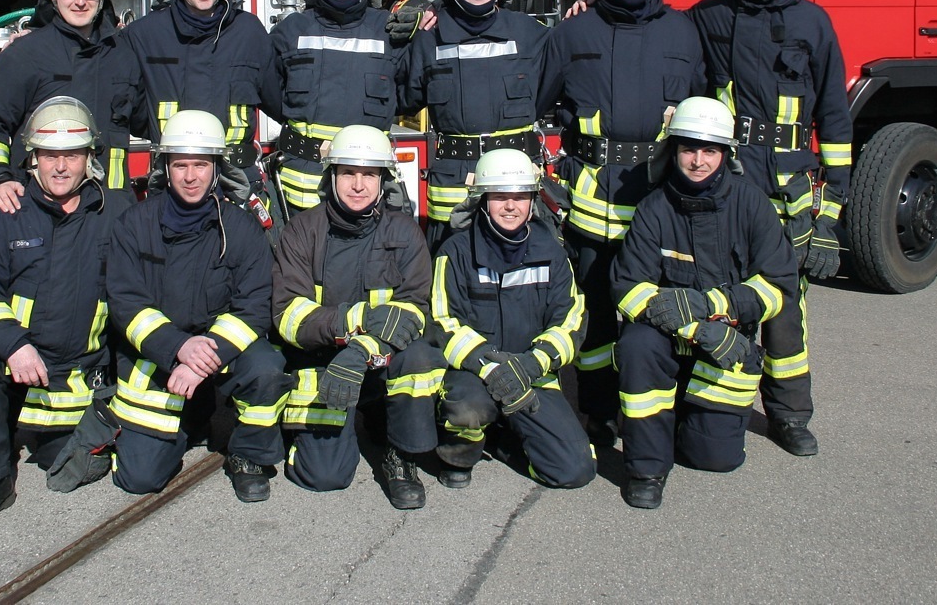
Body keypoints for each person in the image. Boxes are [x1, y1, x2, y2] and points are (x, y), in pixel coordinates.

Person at [688, 0, 852, 456]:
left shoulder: (813, 22)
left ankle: (789, 416)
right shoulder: (709, 17)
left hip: (789, 189)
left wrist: (831, 213)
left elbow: (833, 113)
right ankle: (716, 410)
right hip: (730, 181)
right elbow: (655, 32)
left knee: (785, 306)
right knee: (720, 294)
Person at [536, 0, 704, 438]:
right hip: (592, 200)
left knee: (663, 307)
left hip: (662, 200)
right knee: (599, 314)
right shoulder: (571, 32)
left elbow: (700, 109)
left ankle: (661, 409)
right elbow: (539, 103)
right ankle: (599, 411)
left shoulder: (682, 31)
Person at [610, 97, 798, 509]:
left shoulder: (752, 206)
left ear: (725, 154)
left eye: (709, 150)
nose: (697, 161)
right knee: (637, 344)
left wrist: (717, 307)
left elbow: (779, 285)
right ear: (673, 151)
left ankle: (684, 419)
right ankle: (646, 469)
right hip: (671, 338)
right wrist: (694, 325)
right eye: (688, 149)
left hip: (725, 343)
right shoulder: (654, 209)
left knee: (713, 458)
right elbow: (627, 286)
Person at [0, 96, 124, 529]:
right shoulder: (6, 215)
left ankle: (51, 434)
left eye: (72, 154)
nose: (61, 167)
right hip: (21, 361)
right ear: (32, 159)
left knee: (66, 464)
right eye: (49, 155)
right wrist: (13, 345)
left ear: (90, 158)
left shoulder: (115, 214)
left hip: (80, 371)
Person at [102, 110, 290, 502]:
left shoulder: (240, 227)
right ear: (165, 167)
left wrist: (204, 357)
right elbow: (125, 303)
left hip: (214, 346)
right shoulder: (134, 225)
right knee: (140, 478)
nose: (191, 176)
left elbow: (254, 307)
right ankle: (194, 413)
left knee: (267, 368)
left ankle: (248, 456)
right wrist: (177, 348)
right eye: (181, 165)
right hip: (157, 352)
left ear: (216, 168)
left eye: (201, 165)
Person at [271, 125, 444, 509]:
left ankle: (401, 455)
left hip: (380, 361)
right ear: (331, 175)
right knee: (325, 477)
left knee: (420, 355)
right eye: (348, 172)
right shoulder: (302, 231)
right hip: (323, 363)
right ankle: (302, 435)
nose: (358, 185)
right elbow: (288, 316)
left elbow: (414, 309)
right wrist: (353, 325)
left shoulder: (405, 232)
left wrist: (359, 350)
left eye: (369, 174)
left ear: (384, 180)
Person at [429, 149, 595, 491]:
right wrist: (488, 366)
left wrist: (534, 364)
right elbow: (441, 322)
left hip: (531, 373)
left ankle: (505, 442)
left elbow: (572, 319)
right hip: (473, 373)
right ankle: (459, 454)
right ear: (482, 199)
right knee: (467, 411)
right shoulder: (455, 252)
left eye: (520, 197)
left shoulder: (551, 251)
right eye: (501, 196)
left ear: (532, 201)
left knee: (575, 470)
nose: (510, 206)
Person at [398, 0, 550, 247]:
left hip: (515, 185)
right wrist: (399, 38)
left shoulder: (530, 33)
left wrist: (588, 3)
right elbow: (399, 96)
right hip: (453, 189)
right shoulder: (428, 37)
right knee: (450, 272)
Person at [0, 0, 136, 207]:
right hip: (40, 208)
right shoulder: (24, 54)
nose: (79, 1)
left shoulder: (123, 54)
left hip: (110, 207)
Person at [123, 0, 277, 208]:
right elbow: (125, 105)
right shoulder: (144, 35)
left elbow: (281, 100)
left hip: (239, 187)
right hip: (175, 186)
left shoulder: (249, 32)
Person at [265, 0, 401, 213]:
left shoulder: (388, 30)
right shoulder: (291, 31)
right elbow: (268, 93)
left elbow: (411, 91)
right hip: (301, 187)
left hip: (366, 187)